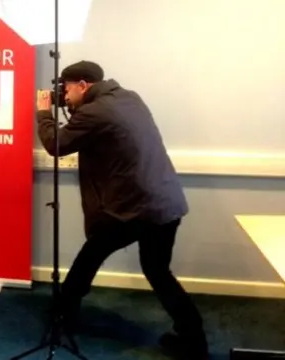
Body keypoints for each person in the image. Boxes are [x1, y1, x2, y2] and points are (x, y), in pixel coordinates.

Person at [35, 61, 209, 359]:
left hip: (134, 208)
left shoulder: (95, 111)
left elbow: (57, 143)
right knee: (157, 271)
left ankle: (62, 314)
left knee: (90, 257)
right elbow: (96, 134)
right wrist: (69, 108)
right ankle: (194, 339)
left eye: (66, 89)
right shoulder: (129, 97)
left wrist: (42, 112)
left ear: (83, 86)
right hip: (164, 202)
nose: (63, 95)